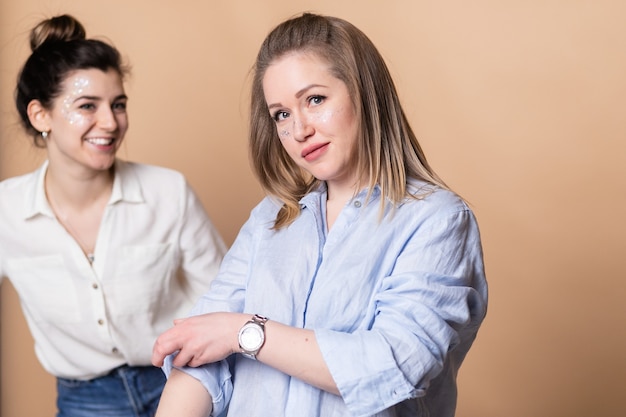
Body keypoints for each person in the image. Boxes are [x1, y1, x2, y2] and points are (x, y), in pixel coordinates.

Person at [151, 12, 488, 417]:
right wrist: (222, 334)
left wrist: (242, 332)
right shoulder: (270, 218)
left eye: (315, 99)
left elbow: (395, 363)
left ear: (364, 93)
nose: (298, 130)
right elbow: (199, 350)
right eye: (281, 114)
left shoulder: (437, 220)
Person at [0, 14, 227, 417]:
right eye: (88, 106)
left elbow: (226, 297)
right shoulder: (7, 211)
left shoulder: (167, 191)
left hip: (183, 382)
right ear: (41, 116)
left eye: (118, 104)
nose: (111, 123)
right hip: (85, 400)